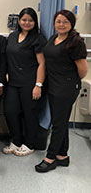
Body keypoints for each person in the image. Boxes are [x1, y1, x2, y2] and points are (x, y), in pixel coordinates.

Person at [35, 10, 88, 173]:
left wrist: (69, 80)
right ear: (54, 23)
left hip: (66, 88)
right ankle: (63, 156)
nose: (61, 24)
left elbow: (83, 70)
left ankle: (50, 158)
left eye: (65, 21)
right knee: (61, 121)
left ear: (71, 24)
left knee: (57, 123)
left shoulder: (76, 42)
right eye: (58, 21)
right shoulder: (53, 38)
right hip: (53, 86)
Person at [3, 7, 46, 156]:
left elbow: (42, 63)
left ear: (35, 22)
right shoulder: (12, 36)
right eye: (24, 20)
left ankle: (29, 144)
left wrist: (38, 85)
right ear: (19, 21)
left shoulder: (38, 39)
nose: (27, 23)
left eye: (30, 20)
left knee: (30, 114)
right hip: (13, 82)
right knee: (10, 111)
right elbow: (8, 57)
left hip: (30, 83)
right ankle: (16, 140)